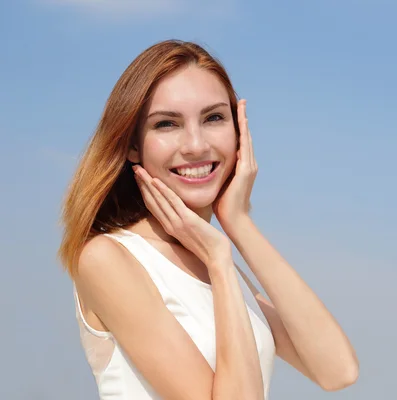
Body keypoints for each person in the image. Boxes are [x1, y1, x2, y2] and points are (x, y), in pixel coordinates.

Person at [57, 39, 359, 400]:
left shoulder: (217, 265)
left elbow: (337, 370)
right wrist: (219, 259)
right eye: (167, 124)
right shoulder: (108, 258)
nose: (196, 145)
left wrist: (239, 224)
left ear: (239, 134)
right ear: (133, 145)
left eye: (213, 118)